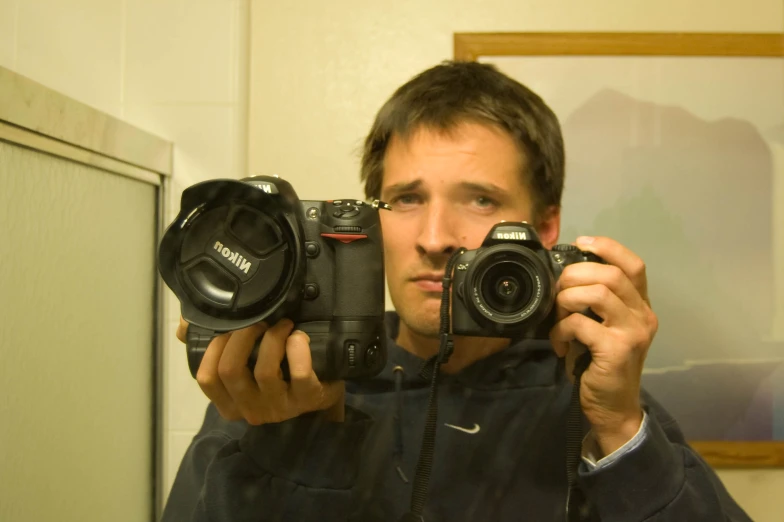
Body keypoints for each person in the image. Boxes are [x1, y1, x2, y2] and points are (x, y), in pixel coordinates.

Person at [162, 61, 752, 522]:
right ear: (370, 221)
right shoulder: (286, 386)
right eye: (406, 199)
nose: (436, 237)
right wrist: (295, 440)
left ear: (544, 228)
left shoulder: (593, 401)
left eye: (481, 200)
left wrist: (622, 431)